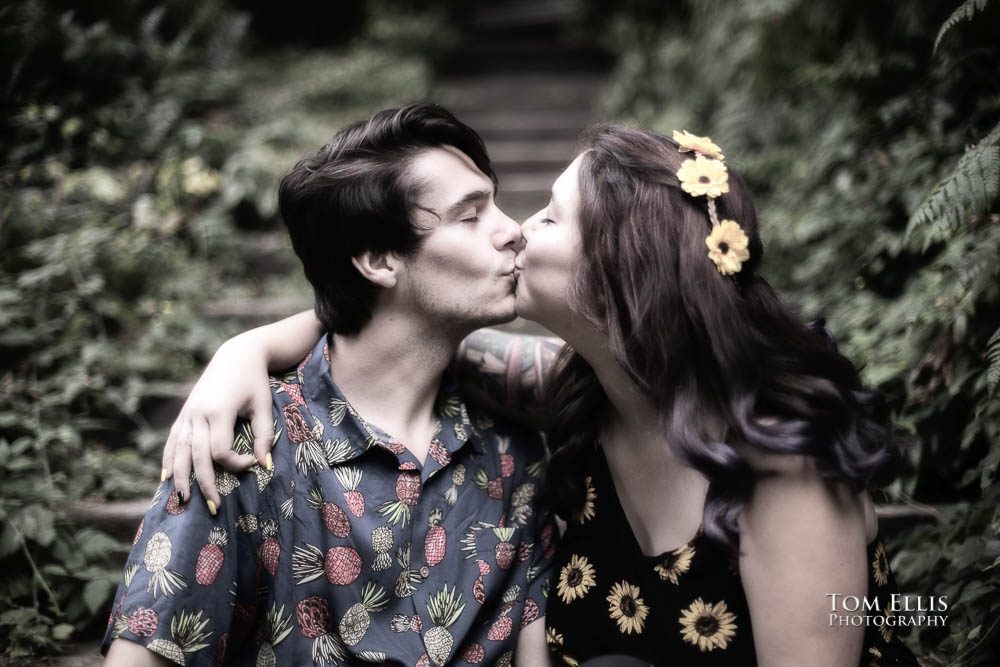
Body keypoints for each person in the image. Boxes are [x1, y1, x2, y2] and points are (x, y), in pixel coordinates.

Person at [161, 123, 919, 665]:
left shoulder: (781, 466)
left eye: (552, 217)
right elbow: (387, 333)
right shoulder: (576, 390)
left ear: (621, 276)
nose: (519, 231)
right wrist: (244, 349)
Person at [103, 103, 556, 666]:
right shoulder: (247, 449)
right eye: (470, 216)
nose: (513, 230)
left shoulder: (514, 449)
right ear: (377, 258)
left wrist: (249, 343)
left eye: (494, 203)